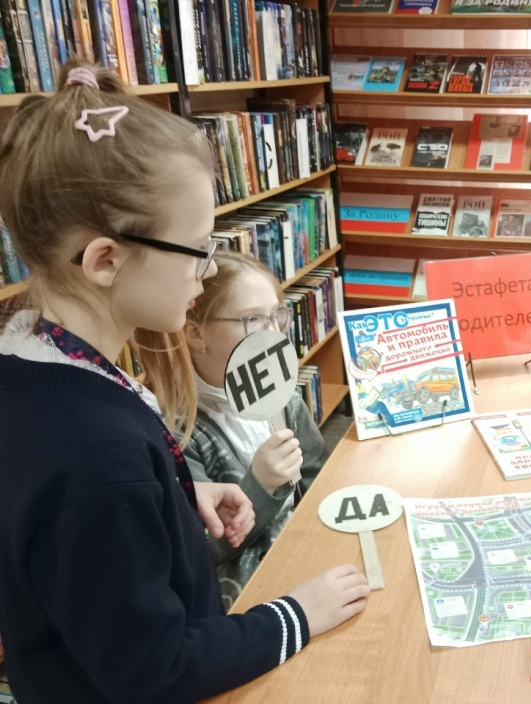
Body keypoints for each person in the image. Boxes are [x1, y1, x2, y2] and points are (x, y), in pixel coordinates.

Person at [0, 60, 368, 703]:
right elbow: (155, 670)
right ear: (106, 260)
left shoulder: (32, 357)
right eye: (198, 247)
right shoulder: (94, 453)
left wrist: (173, 496)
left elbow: (71, 530)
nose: (208, 271)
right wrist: (294, 616)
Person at [183, 251, 326, 611]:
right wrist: (260, 485)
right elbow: (204, 551)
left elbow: (317, 481)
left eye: (277, 315)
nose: (274, 333)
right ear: (196, 332)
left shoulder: (283, 396)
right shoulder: (179, 431)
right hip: (247, 596)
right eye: (252, 319)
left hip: (307, 555)